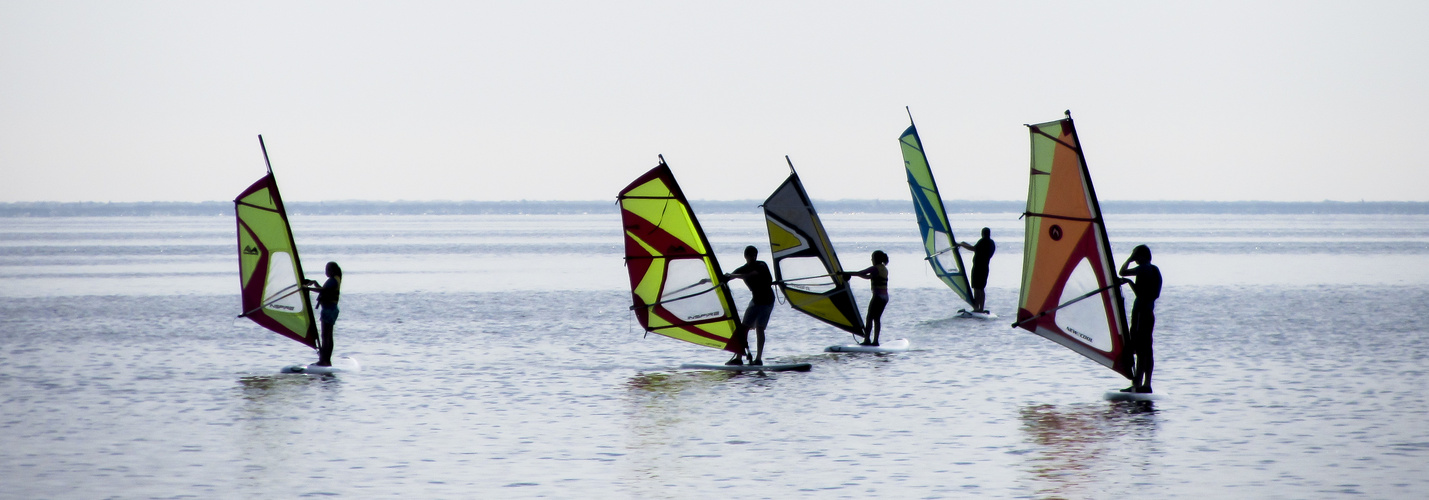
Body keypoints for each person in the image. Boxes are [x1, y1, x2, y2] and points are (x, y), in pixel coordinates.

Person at [723, 246, 775, 366]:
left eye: (754, 255)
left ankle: (758, 359)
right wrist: (708, 280)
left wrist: (736, 275)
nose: (753, 258)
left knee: (760, 328)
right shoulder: (744, 268)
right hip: (755, 301)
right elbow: (728, 277)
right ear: (745, 256)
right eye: (750, 256)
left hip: (767, 301)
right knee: (743, 328)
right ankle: (738, 357)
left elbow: (752, 274)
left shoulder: (761, 265)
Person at [1119, 245, 1161, 393]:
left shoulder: (1143, 269)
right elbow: (1151, 294)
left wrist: (1129, 260)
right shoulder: (1155, 270)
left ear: (1141, 256)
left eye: (1136, 256)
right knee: (1147, 349)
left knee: (1139, 349)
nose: (1134, 259)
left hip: (1140, 314)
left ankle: (1137, 384)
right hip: (1149, 313)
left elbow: (1122, 272)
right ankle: (1147, 383)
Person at [842, 250, 889, 346]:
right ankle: (875, 341)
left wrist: (844, 273)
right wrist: (853, 274)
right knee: (877, 318)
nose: (871, 259)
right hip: (885, 297)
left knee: (869, 317)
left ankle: (867, 340)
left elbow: (861, 272)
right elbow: (868, 277)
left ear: (876, 259)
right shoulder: (884, 269)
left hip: (878, 297)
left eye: (872, 258)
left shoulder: (875, 268)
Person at [303, 261, 342, 366]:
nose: (326, 271)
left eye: (328, 269)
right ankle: (326, 360)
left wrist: (308, 288)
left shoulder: (333, 280)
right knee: (328, 335)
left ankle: (324, 360)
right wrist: (315, 283)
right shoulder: (334, 280)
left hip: (329, 310)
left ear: (333, 270)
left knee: (326, 336)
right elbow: (324, 290)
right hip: (331, 309)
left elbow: (323, 290)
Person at [957, 227, 995, 313]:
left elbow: (973, 249)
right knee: (981, 288)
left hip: (979, 268)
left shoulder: (983, 241)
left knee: (977, 288)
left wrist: (961, 245)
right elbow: (975, 248)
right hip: (985, 268)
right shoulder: (991, 243)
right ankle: (980, 308)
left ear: (982, 233)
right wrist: (963, 243)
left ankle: (977, 308)